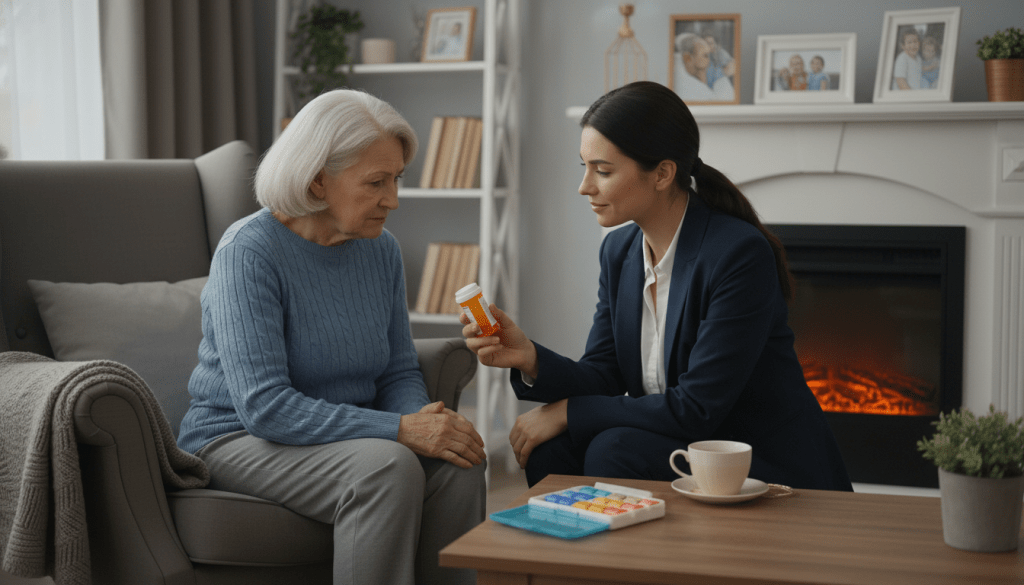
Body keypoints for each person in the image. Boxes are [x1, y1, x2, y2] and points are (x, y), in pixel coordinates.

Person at [460, 81, 853, 493]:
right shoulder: (619, 252)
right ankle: (580, 556)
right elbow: (604, 376)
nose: (585, 187)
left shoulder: (737, 254)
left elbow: (696, 407)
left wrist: (568, 412)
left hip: (754, 457)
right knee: (553, 450)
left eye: (604, 171)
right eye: (585, 167)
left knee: (611, 449)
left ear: (663, 173)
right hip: (687, 442)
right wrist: (530, 357)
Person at [177, 89, 487, 585]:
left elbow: (398, 368)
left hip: (348, 437)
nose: (393, 199)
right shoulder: (248, 253)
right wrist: (401, 431)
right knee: (387, 467)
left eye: (397, 179)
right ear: (317, 180)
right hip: (238, 438)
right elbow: (265, 407)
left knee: (460, 461)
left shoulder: (380, 249)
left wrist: (420, 419)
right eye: (375, 182)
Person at [672, 32, 734, 102]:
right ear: (688, 58)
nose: (708, 61)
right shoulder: (686, 84)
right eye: (705, 56)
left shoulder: (715, 71)